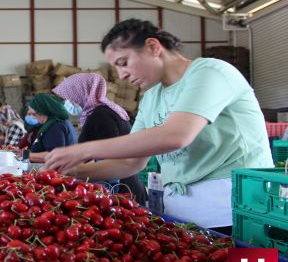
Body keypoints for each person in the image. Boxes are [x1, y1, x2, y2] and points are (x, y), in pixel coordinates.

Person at [45, 18, 273, 234]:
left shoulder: (210, 73)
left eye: (123, 63)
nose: (121, 75)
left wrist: (83, 150)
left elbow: (177, 135)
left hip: (238, 210)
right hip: (183, 215)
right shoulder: (152, 98)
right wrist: (73, 171)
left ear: (153, 47)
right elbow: (131, 162)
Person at [53, 73, 146, 204]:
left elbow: (110, 156)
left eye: (70, 98)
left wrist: (71, 170)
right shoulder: (105, 111)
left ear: (81, 93)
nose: (68, 103)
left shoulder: (101, 116)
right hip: (121, 188)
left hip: (120, 192)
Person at [27, 93, 77, 162]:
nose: (34, 117)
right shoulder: (59, 122)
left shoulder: (55, 127)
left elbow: (54, 155)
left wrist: (26, 155)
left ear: (42, 111)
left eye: (34, 114)